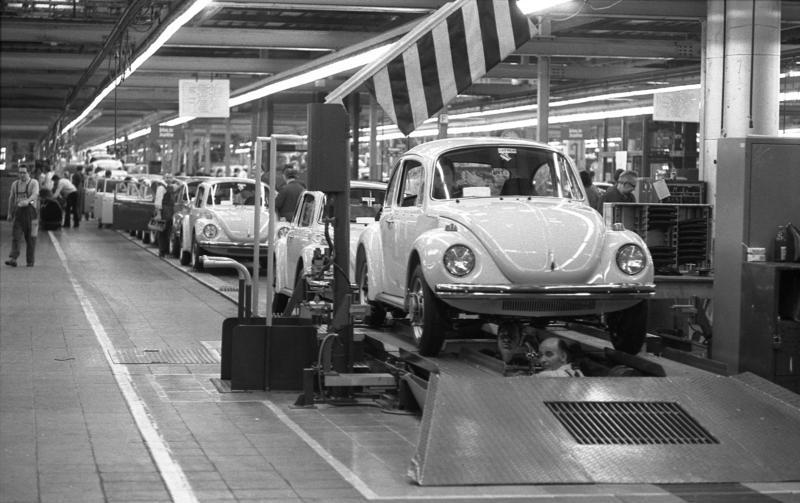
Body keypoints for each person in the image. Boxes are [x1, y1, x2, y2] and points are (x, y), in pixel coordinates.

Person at [5, 167, 40, 267]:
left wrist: (28, 201)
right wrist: (9, 213)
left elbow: (35, 195)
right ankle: (13, 258)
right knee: (16, 236)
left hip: (33, 215)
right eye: (20, 173)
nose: (22, 175)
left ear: (29, 173)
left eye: (24, 172)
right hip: (19, 214)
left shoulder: (34, 182)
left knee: (31, 238)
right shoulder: (15, 184)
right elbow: (11, 198)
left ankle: (30, 261)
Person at [154, 173, 177, 257]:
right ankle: (162, 251)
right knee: (161, 231)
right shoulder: (161, 187)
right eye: (167, 177)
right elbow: (158, 201)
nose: (168, 179)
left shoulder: (170, 187)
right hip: (163, 212)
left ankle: (166, 251)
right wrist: (158, 214)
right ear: (164, 178)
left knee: (168, 232)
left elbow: (180, 185)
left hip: (170, 212)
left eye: (170, 177)